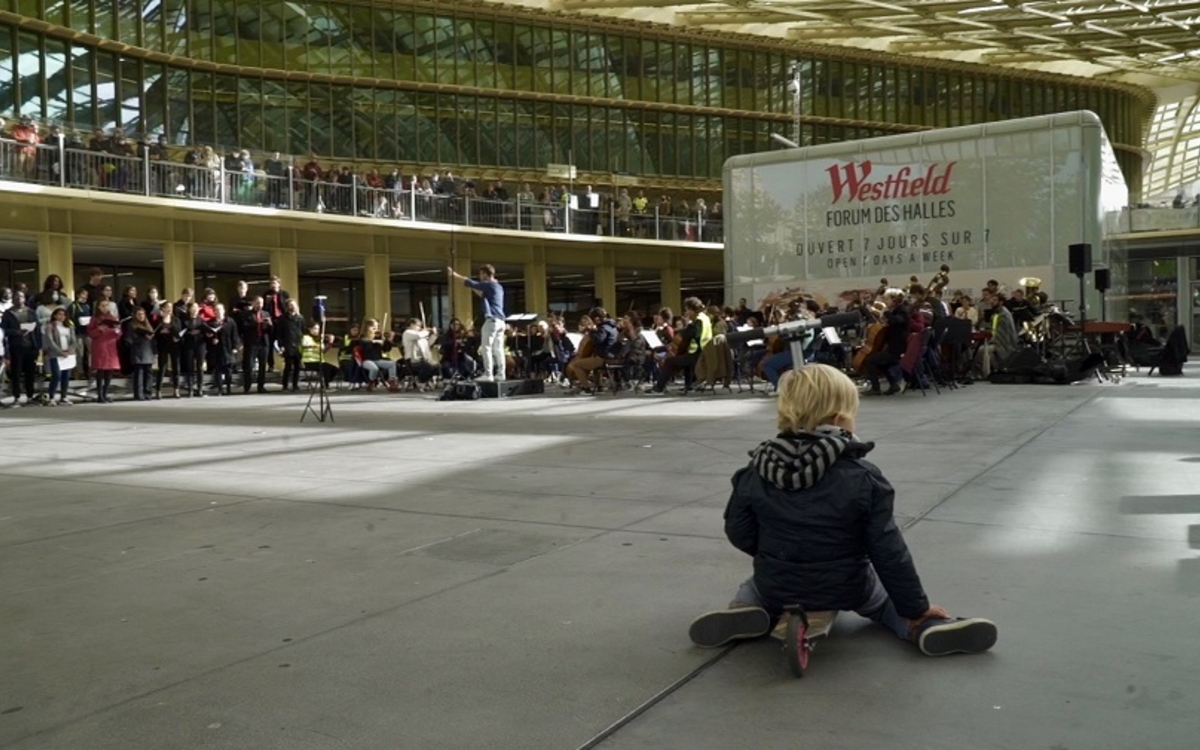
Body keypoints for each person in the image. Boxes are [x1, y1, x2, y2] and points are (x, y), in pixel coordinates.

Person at [687, 364, 997, 657]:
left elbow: (738, 530)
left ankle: (746, 610)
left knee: (752, 587)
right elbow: (888, 550)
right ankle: (921, 628)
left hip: (777, 581)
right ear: (838, 420)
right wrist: (916, 605)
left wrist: (772, 551)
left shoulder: (755, 471)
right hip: (847, 585)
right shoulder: (863, 476)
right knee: (884, 600)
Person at [447, 264, 505, 382]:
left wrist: (454, 275)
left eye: (481, 274)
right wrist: (472, 287)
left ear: (485, 274)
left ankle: (488, 374)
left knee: (486, 348)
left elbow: (469, 282)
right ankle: (501, 373)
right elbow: (481, 293)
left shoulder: (488, 284)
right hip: (501, 321)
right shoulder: (497, 286)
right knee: (498, 349)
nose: (479, 276)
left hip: (491, 320)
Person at [2, 291, 40, 406]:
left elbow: (37, 330)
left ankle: (30, 396)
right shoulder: (8, 313)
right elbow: (4, 330)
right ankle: (16, 397)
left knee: (30, 373)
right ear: (13, 299)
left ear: (25, 299)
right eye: (16, 296)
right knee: (16, 373)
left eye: (21, 296)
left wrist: (38, 346)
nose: (19, 298)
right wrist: (16, 332)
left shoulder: (31, 312)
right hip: (16, 346)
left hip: (30, 346)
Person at [88, 299, 122, 403]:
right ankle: (100, 395)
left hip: (111, 346)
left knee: (109, 371)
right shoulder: (94, 319)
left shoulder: (112, 317)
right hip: (100, 346)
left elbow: (119, 334)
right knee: (101, 370)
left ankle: (105, 393)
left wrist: (117, 329)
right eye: (102, 305)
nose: (105, 308)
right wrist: (99, 329)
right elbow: (90, 333)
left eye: (106, 306)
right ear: (98, 307)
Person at [41, 306, 77, 406]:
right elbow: (50, 341)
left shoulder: (69, 326)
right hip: (56, 354)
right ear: (55, 315)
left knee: (66, 376)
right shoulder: (50, 326)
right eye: (59, 314)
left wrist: (69, 351)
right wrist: (61, 352)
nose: (62, 316)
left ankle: (63, 397)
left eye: (64, 315)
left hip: (68, 355)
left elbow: (73, 341)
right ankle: (51, 397)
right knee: (56, 376)